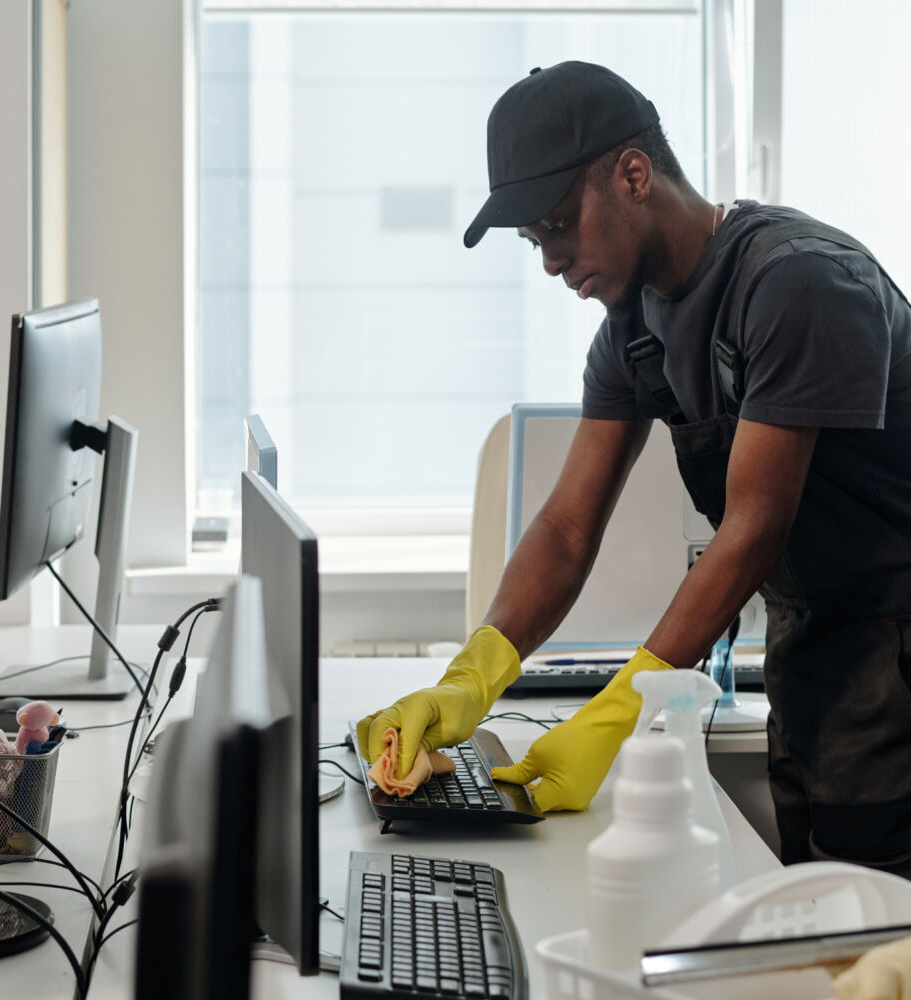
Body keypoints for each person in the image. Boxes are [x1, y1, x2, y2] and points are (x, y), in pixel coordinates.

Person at [357, 60, 911, 876]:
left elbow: (756, 527)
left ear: (634, 175)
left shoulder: (798, 285)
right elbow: (567, 526)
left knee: (876, 926)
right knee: (820, 910)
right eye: (534, 239)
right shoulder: (634, 330)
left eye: (556, 225)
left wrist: (623, 708)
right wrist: (473, 677)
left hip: (897, 644)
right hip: (819, 643)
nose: (548, 260)